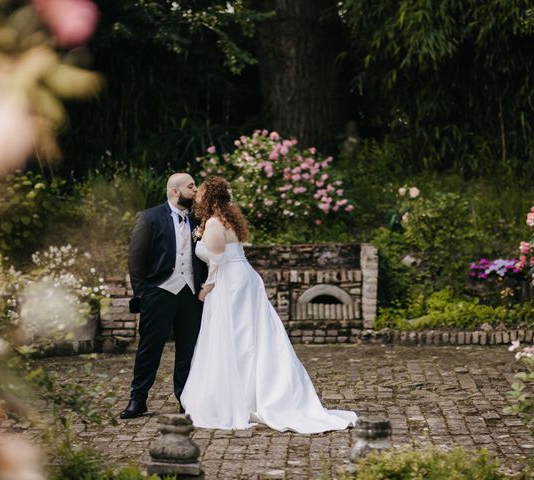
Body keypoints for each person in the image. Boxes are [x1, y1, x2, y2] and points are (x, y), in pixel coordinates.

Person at [180, 176, 357, 433]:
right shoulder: (226, 219)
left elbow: (217, 259)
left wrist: (207, 286)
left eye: (201, 191)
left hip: (230, 281)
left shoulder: (215, 223)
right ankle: (248, 393)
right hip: (241, 277)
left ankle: (240, 397)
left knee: (236, 337)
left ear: (209, 197)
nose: (196, 194)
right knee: (249, 336)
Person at [120, 173, 207, 419]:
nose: (195, 190)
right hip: (159, 293)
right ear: (175, 191)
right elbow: (135, 259)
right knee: (149, 348)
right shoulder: (149, 217)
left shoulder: (198, 218)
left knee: (188, 350)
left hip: (190, 293)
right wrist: (143, 293)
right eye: (191, 186)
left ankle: (185, 399)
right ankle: (138, 399)